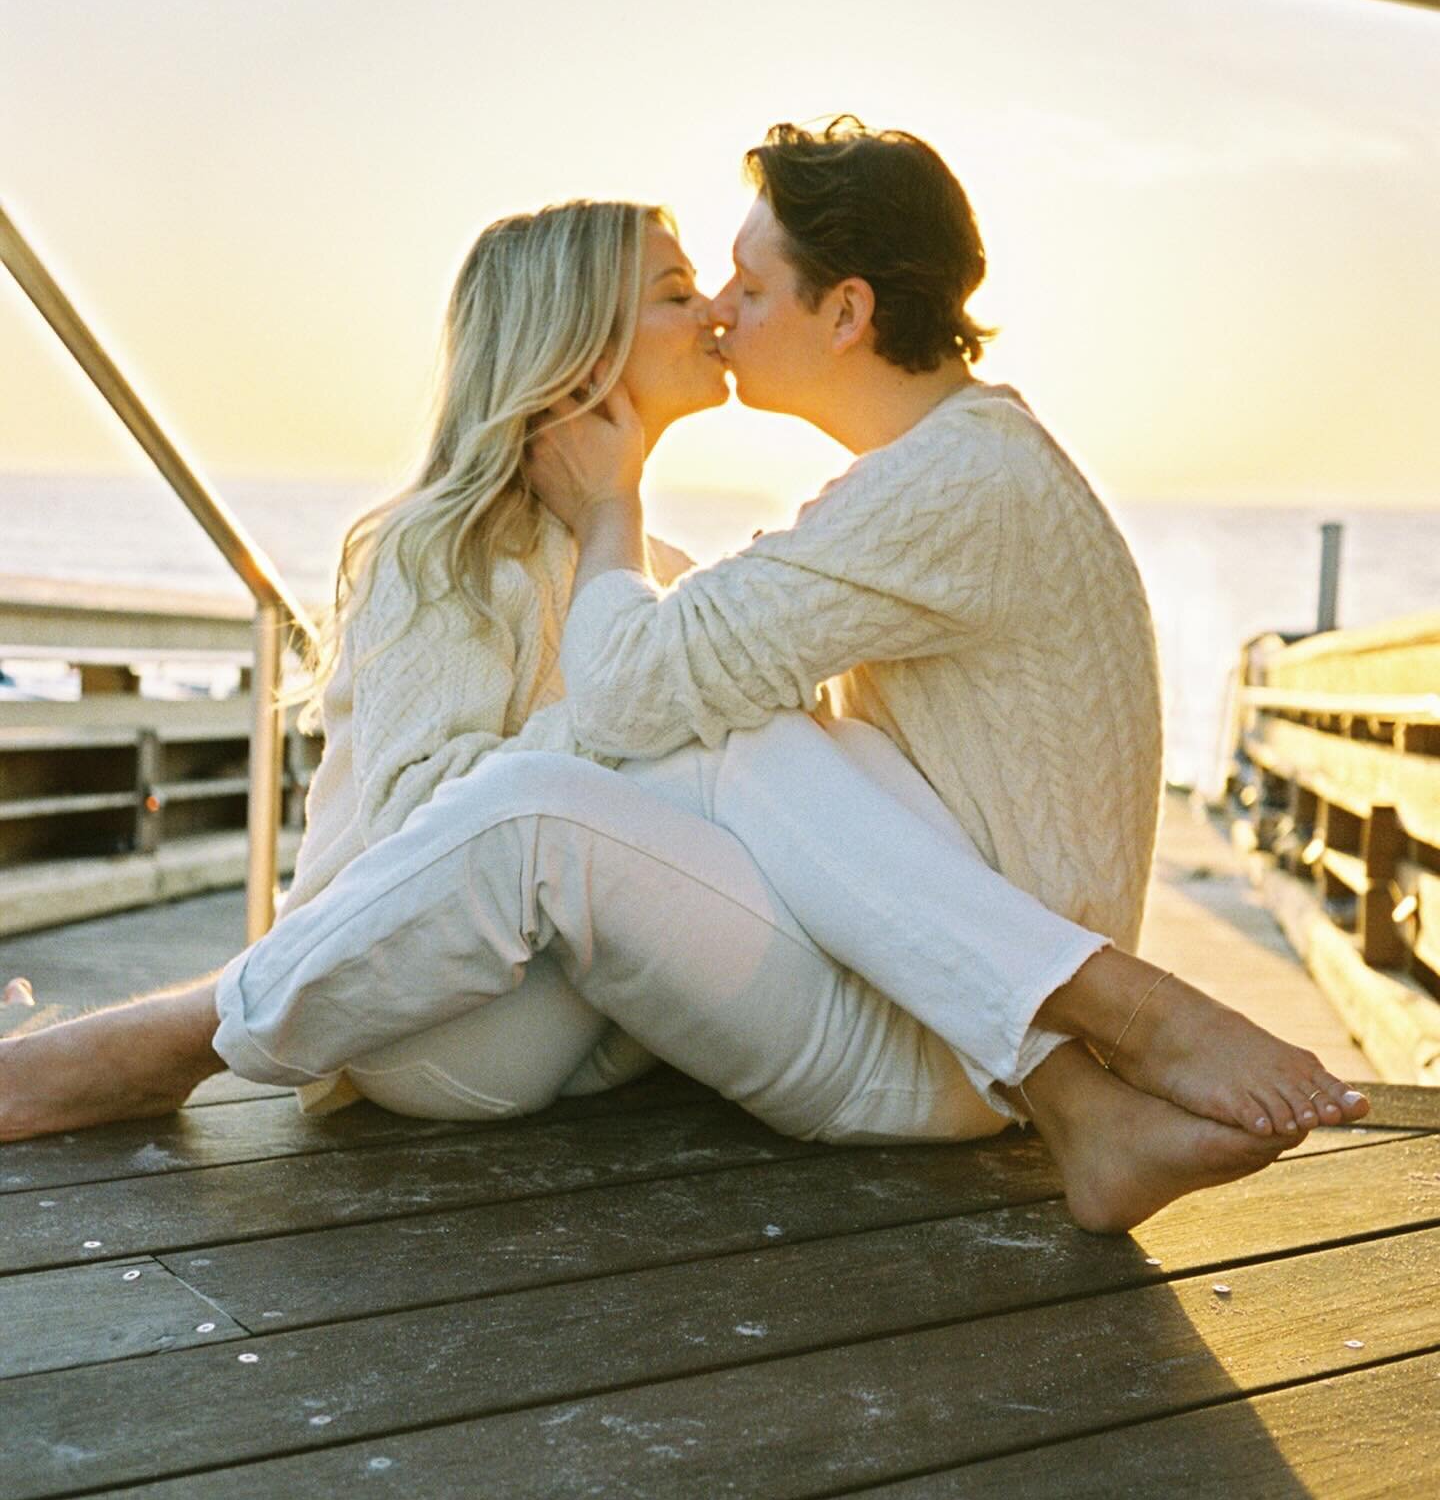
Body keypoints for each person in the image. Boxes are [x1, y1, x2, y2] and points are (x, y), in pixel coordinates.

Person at [0, 130, 1367, 1234]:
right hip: (435, 1012)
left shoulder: (736, 544)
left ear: (844, 308)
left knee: (687, 722)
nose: (714, 312)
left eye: (736, 287)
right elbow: (471, 807)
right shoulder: (447, 552)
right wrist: (609, 742)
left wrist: (616, 591)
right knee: (608, 761)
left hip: (736, 1024)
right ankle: (187, 1034)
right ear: (581, 348)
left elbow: (690, 748)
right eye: (678, 293)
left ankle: (1093, 1055)